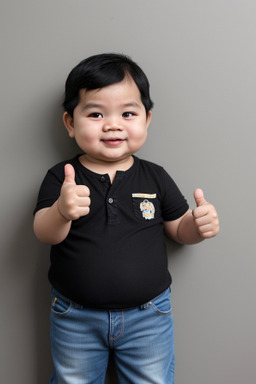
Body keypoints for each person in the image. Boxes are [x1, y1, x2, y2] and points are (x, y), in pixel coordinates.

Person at [33, 53, 219, 384]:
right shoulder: (63, 177)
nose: (113, 124)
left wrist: (197, 226)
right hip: (75, 315)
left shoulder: (155, 177)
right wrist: (61, 211)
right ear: (70, 123)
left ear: (146, 120)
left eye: (128, 113)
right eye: (95, 114)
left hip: (148, 315)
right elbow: (45, 233)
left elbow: (177, 229)